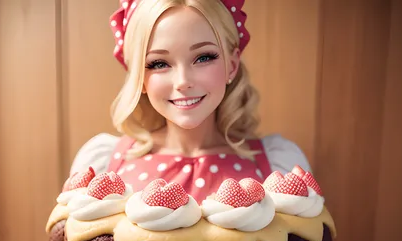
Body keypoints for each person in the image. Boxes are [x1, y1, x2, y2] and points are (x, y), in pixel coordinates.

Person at [70, 0, 311, 203]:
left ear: (232, 64)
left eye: (203, 57)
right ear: (140, 77)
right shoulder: (102, 166)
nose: (183, 82)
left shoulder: (280, 167)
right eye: (159, 63)